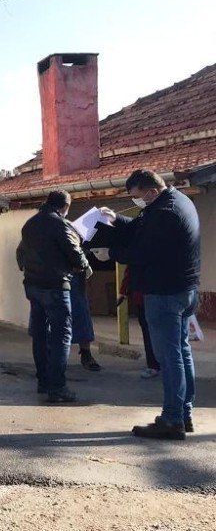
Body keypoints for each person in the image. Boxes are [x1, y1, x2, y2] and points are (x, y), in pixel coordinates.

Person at [106, 169, 200, 440]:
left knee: (169, 357)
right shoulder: (176, 201)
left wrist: (110, 253)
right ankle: (184, 414)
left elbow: (142, 252)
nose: (138, 203)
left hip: (165, 292)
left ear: (151, 191)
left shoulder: (163, 213)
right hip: (185, 290)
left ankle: (172, 420)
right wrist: (116, 219)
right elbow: (139, 227)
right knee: (181, 352)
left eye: (138, 197)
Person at [16, 189, 93, 404]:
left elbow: (20, 254)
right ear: (65, 206)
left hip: (32, 285)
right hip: (56, 286)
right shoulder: (61, 225)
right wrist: (85, 266)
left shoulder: (29, 224)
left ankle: (43, 381)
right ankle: (57, 387)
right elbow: (75, 254)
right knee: (61, 336)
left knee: (39, 335)